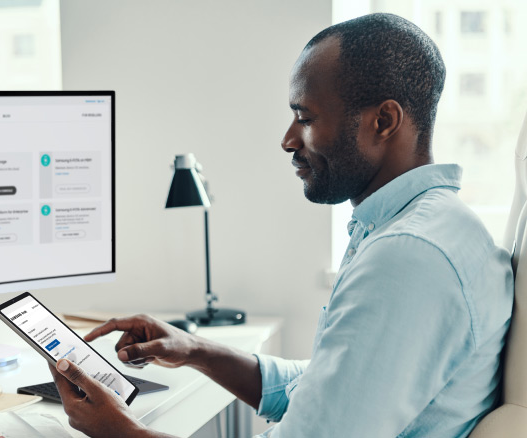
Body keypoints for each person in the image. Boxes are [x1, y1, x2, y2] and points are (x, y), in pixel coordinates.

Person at [48, 13, 514, 438]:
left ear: (383, 121)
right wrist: (196, 350)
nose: (289, 139)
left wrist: (120, 432)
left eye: (306, 118)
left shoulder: (409, 257)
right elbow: (324, 390)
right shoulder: (422, 228)